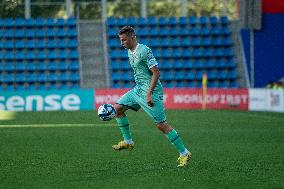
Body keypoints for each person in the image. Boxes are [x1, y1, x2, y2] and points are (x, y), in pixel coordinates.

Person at [112, 26, 191, 167]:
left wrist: (149, 94)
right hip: (138, 90)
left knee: (161, 125)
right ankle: (128, 141)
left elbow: (156, 73)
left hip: (151, 92)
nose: (122, 43)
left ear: (132, 37)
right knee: (117, 109)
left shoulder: (144, 50)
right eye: (121, 40)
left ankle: (184, 153)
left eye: (124, 40)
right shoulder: (130, 51)